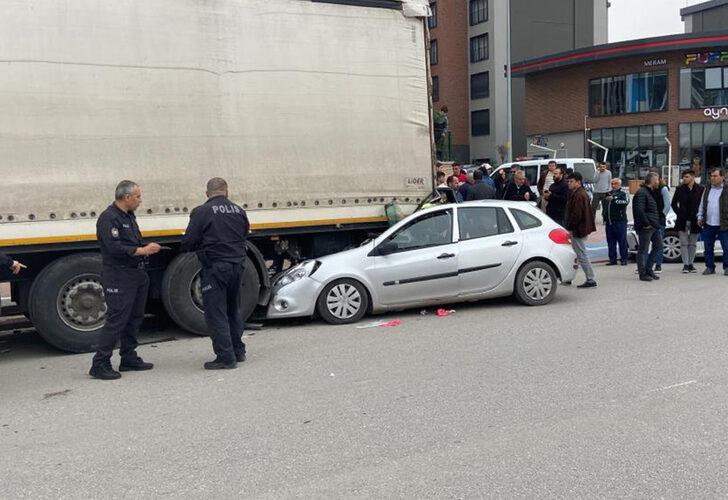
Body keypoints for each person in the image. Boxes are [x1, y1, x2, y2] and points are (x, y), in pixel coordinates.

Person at [89, 180, 161, 380]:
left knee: (135, 318)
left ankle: (129, 357)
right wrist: (142, 250)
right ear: (127, 197)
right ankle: (100, 363)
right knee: (117, 319)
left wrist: (144, 251)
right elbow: (114, 248)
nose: (140, 200)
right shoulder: (109, 218)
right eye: (137, 196)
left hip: (136, 273)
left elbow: (131, 243)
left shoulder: (129, 216)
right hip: (118, 275)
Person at [182, 177, 250, 369]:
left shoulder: (202, 212)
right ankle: (238, 351)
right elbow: (244, 233)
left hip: (216, 268)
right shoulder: (239, 210)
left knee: (215, 313)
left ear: (207, 193)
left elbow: (189, 241)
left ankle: (225, 357)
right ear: (227, 192)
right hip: (238, 266)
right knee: (232, 309)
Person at [564, 172, 597, 288]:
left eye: (571, 181)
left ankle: (590, 278)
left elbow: (576, 215)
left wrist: (569, 227)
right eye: (568, 181)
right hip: (580, 228)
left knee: (581, 254)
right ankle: (569, 277)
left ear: (578, 182)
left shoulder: (579, 194)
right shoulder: (579, 193)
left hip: (578, 229)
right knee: (578, 253)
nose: (569, 183)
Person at [671, 169, 704, 273]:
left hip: (695, 220)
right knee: (684, 243)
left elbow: (703, 204)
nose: (684, 179)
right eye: (683, 177)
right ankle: (685, 265)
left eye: (687, 177)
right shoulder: (680, 189)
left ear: (693, 177)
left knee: (693, 243)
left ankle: (691, 264)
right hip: (682, 220)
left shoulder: (701, 189)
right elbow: (673, 203)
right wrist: (679, 213)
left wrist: (701, 216)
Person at [697, 167, 728, 276]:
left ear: (722, 177)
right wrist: (700, 216)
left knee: (726, 247)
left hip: (724, 224)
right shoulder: (707, 189)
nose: (712, 178)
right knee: (708, 247)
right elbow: (702, 204)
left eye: (715, 176)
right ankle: (710, 267)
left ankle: (727, 267)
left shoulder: (726, 189)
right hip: (709, 223)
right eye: (711, 176)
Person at [632, 173, 662, 282]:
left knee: (658, 246)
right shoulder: (642, 193)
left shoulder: (649, 192)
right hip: (646, 226)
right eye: (658, 180)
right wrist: (646, 223)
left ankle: (649, 269)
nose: (659, 182)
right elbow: (639, 210)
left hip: (653, 225)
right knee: (643, 250)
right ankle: (642, 273)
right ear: (653, 180)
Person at [602, 178, 630, 266]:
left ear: (619, 184)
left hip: (620, 221)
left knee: (622, 241)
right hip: (609, 222)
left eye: (615, 183)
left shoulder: (623, 193)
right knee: (610, 241)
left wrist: (613, 199)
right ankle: (612, 259)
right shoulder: (608, 193)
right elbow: (605, 206)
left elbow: (625, 202)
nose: (613, 185)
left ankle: (624, 259)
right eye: (612, 183)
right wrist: (604, 217)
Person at [650, 169, 671, 273]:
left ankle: (658, 265)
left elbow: (667, 205)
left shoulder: (663, 189)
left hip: (658, 220)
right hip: (650, 220)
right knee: (646, 244)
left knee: (658, 243)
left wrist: (661, 216)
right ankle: (646, 264)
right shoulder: (649, 189)